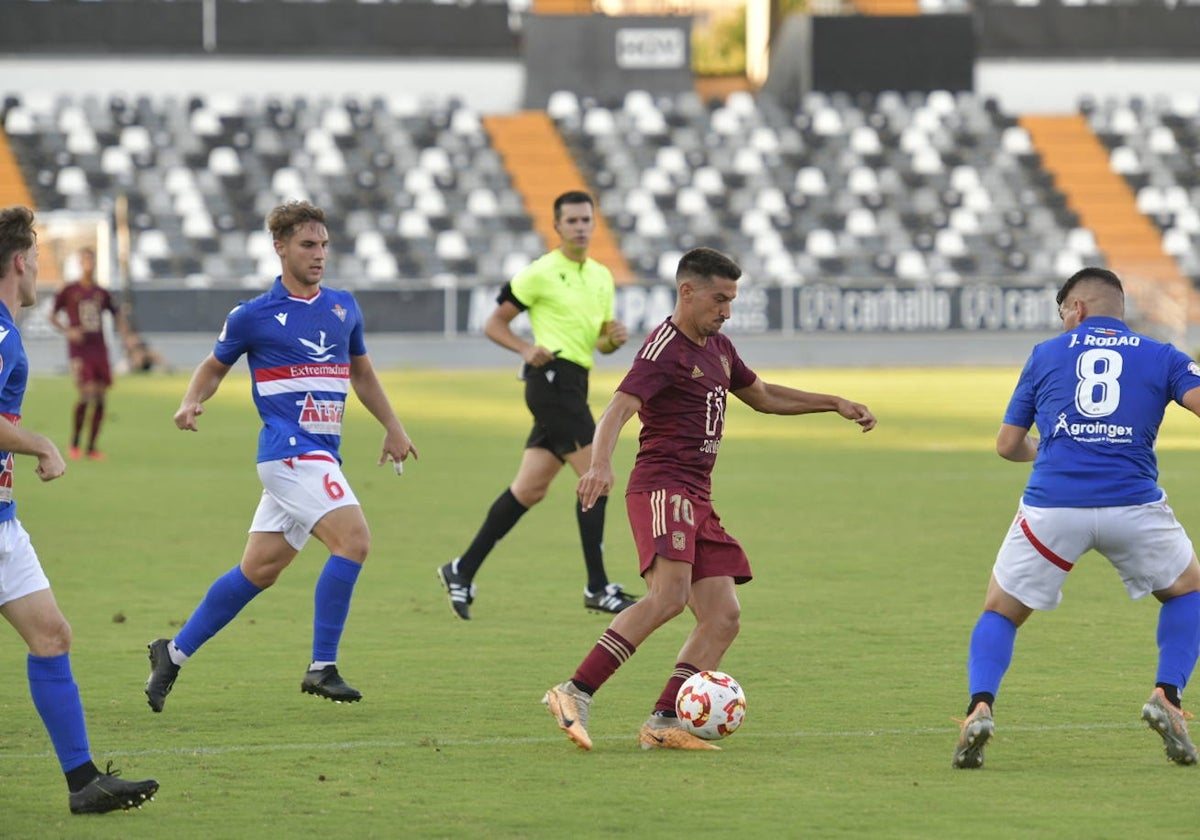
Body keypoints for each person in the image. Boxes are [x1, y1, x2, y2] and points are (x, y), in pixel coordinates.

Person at [542, 247, 876, 750]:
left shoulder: (718, 348)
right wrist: (600, 464)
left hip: (698, 494)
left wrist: (833, 403)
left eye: (732, 300)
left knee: (723, 617)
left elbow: (762, 396)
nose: (726, 311)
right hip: (663, 486)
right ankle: (574, 692)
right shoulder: (664, 348)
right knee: (670, 598)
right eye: (719, 299)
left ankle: (663, 722)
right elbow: (617, 408)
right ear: (687, 291)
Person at [144, 200, 417, 712]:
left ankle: (172, 654)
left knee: (259, 570)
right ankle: (322, 666)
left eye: (324, 245)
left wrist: (393, 425)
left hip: (320, 456)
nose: (319, 255)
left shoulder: (343, 307)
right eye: (308, 245)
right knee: (354, 540)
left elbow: (361, 373)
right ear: (281, 248)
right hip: (289, 452)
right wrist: (190, 400)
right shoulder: (252, 316)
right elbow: (212, 366)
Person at [952, 267, 1200, 769]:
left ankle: (980, 707)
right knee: (1188, 591)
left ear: (1076, 308)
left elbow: (1006, 445)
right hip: (1133, 506)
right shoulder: (1163, 355)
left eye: (1062, 310)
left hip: (1054, 507)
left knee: (1000, 610)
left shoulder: (1045, 354)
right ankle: (1167, 695)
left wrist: (1048, 449)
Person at [0, 206, 159, 813]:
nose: (40, 268)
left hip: (5, 525)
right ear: (20, 263)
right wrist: (41, 443)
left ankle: (83, 783)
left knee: (52, 636)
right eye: (36, 258)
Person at [437, 190, 635, 620]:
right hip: (551, 381)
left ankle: (461, 569)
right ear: (558, 226)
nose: (581, 227)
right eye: (573, 221)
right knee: (597, 477)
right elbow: (494, 323)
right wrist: (525, 349)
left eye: (587, 220)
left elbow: (598, 344)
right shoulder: (541, 272)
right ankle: (598, 587)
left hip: (574, 382)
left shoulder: (601, 276)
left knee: (529, 489)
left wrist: (612, 340)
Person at [50, 246, 130, 461]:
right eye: (85, 260)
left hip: (99, 349)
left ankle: (92, 447)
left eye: (91, 260)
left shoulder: (101, 293)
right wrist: (69, 331)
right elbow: (52, 316)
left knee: (102, 398)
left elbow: (117, 315)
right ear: (80, 263)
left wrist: (127, 337)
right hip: (80, 350)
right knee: (87, 394)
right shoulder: (69, 290)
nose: (89, 264)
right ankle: (75, 443)